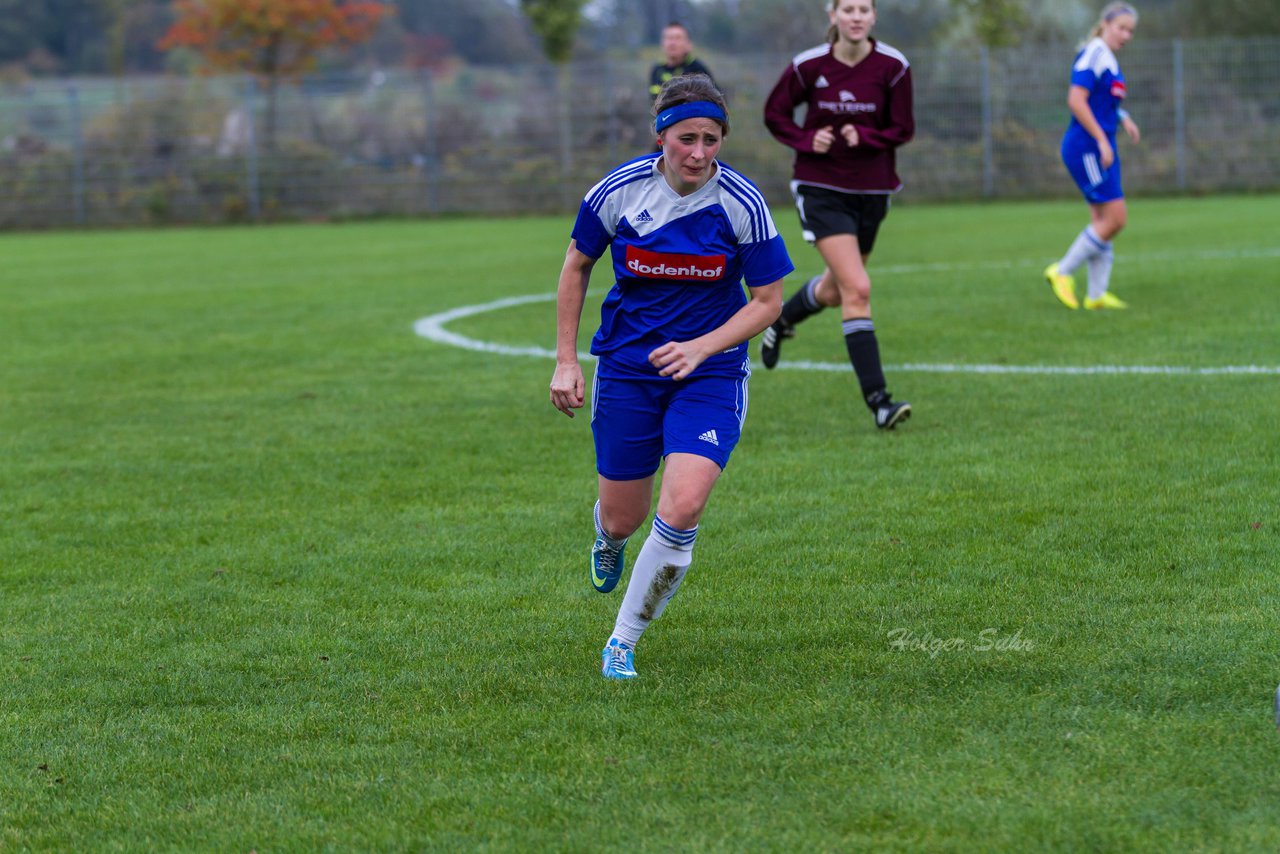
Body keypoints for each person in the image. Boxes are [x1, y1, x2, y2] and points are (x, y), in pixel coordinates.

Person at [549, 74, 793, 680]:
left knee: (682, 506)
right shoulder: (620, 191)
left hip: (710, 375)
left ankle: (622, 641)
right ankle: (607, 536)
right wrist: (565, 358)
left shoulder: (742, 203)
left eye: (712, 139)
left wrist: (701, 348)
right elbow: (577, 264)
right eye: (687, 138)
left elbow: (767, 301)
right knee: (624, 517)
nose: (699, 153)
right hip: (629, 371)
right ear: (661, 136)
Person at [761, 0, 914, 430]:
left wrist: (863, 135)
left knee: (835, 291)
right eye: (847, 8)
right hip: (821, 188)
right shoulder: (808, 65)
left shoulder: (894, 66)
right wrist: (807, 140)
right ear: (833, 15)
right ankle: (880, 402)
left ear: (873, 17)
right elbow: (774, 115)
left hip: (873, 189)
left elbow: (903, 129)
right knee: (858, 288)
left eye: (864, 8)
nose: (856, 16)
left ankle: (783, 318)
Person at [1044, 3, 1141, 310]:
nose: (1126, 35)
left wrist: (1122, 117)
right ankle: (1061, 271)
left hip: (1098, 146)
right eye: (1121, 27)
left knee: (1102, 220)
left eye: (1130, 31)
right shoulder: (1095, 52)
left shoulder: (1107, 58)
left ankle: (1096, 296)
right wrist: (1101, 139)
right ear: (1106, 24)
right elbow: (1076, 99)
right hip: (1087, 147)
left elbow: (1102, 101)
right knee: (1116, 219)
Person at [649, 22, 715, 102]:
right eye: (669, 38)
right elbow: (654, 102)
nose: (672, 43)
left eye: (678, 38)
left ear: (688, 45)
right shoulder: (657, 70)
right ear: (662, 44)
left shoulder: (698, 69)